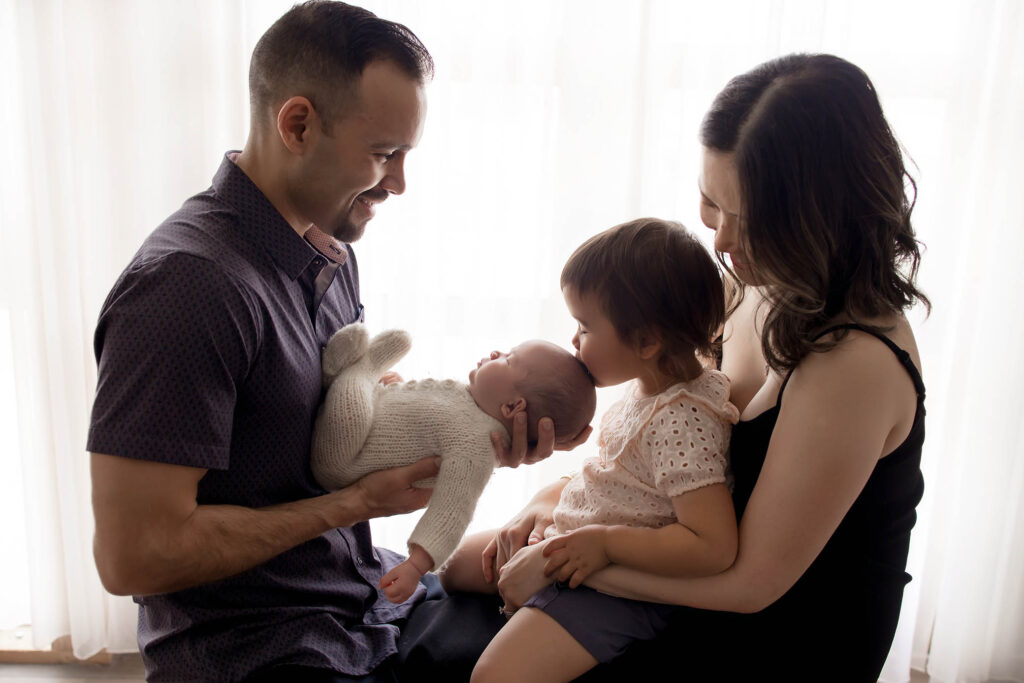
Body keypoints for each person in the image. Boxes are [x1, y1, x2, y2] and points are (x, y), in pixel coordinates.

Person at [86, 3, 586, 681]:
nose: (399, 183)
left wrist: (473, 433)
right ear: (297, 124)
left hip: (360, 602)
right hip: (266, 648)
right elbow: (133, 555)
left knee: (569, 622)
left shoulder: (328, 250)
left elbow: (321, 426)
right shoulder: (187, 288)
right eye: (385, 154)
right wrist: (357, 505)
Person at [412, 53, 928, 682]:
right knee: (453, 598)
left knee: (475, 663)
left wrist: (566, 560)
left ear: (815, 219)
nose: (722, 243)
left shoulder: (855, 365)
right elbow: (664, 443)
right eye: (711, 206)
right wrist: (550, 501)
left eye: (748, 221)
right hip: (676, 564)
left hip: (772, 631)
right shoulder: (746, 288)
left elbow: (751, 584)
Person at [431, 218, 738, 682]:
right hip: (574, 535)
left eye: (585, 327)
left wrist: (603, 544)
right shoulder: (649, 388)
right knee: (453, 566)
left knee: (493, 676)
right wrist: (544, 510)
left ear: (647, 341)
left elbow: (713, 546)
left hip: (615, 590)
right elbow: (625, 483)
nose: (574, 341)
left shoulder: (682, 421)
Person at [311, 323, 596, 604]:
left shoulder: (475, 447)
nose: (497, 352)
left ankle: (355, 372)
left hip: (342, 458)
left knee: (349, 410)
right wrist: (399, 390)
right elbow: (419, 422)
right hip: (365, 424)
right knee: (363, 392)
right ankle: (361, 374)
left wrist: (415, 567)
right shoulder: (470, 405)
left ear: (512, 407)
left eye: (508, 359)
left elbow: (452, 512)